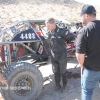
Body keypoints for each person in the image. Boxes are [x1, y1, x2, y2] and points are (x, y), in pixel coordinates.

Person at [76, 4, 100, 100]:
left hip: (91, 69)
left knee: (87, 91)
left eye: (81, 15)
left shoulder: (85, 30)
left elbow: (79, 54)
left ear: (86, 15)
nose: (81, 18)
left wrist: (81, 65)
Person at [45, 18, 75, 92]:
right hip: (53, 54)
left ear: (53, 24)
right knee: (55, 71)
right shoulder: (49, 32)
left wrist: (67, 41)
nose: (47, 27)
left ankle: (65, 86)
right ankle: (57, 85)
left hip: (61, 54)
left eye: (48, 26)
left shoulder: (62, 31)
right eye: (47, 26)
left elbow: (72, 37)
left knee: (63, 71)